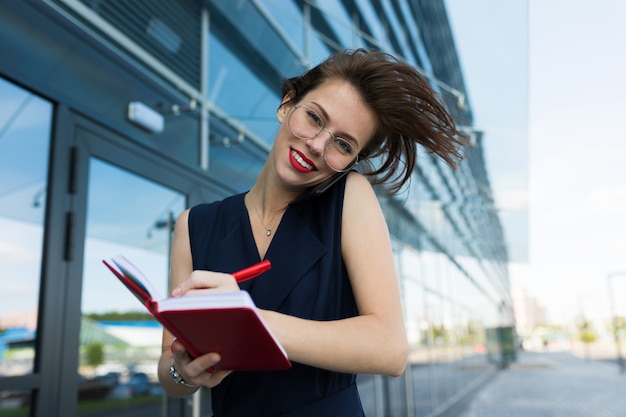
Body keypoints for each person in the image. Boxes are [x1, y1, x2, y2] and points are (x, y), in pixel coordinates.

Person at [157, 48, 465, 416]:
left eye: (343, 144)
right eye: (315, 118)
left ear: (351, 160)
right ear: (288, 105)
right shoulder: (193, 226)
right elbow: (169, 372)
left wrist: (249, 322)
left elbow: (390, 348)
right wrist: (186, 373)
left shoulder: (348, 199)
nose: (318, 145)